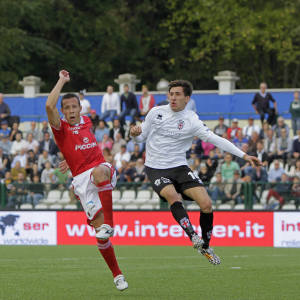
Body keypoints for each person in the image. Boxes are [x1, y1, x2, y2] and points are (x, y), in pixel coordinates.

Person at [130, 79, 261, 265]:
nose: (173, 98)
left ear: (187, 98)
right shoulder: (155, 113)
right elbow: (141, 137)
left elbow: (215, 139)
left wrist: (244, 155)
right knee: (173, 196)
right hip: (156, 167)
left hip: (179, 166)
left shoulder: (191, 120)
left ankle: (206, 246)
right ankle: (193, 236)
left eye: (177, 94)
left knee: (206, 204)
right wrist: (134, 134)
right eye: (171, 94)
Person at [46, 70, 128, 291]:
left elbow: (84, 148)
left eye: (74, 107)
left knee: (99, 173)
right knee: (101, 238)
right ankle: (117, 275)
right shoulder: (60, 128)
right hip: (82, 182)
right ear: (63, 112)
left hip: (101, 170)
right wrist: (62, 80)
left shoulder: (87, 121)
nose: (71, 111)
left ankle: (110, 224)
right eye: (67, 108)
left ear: (80, 109)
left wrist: (73, 159)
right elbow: (48, 107)